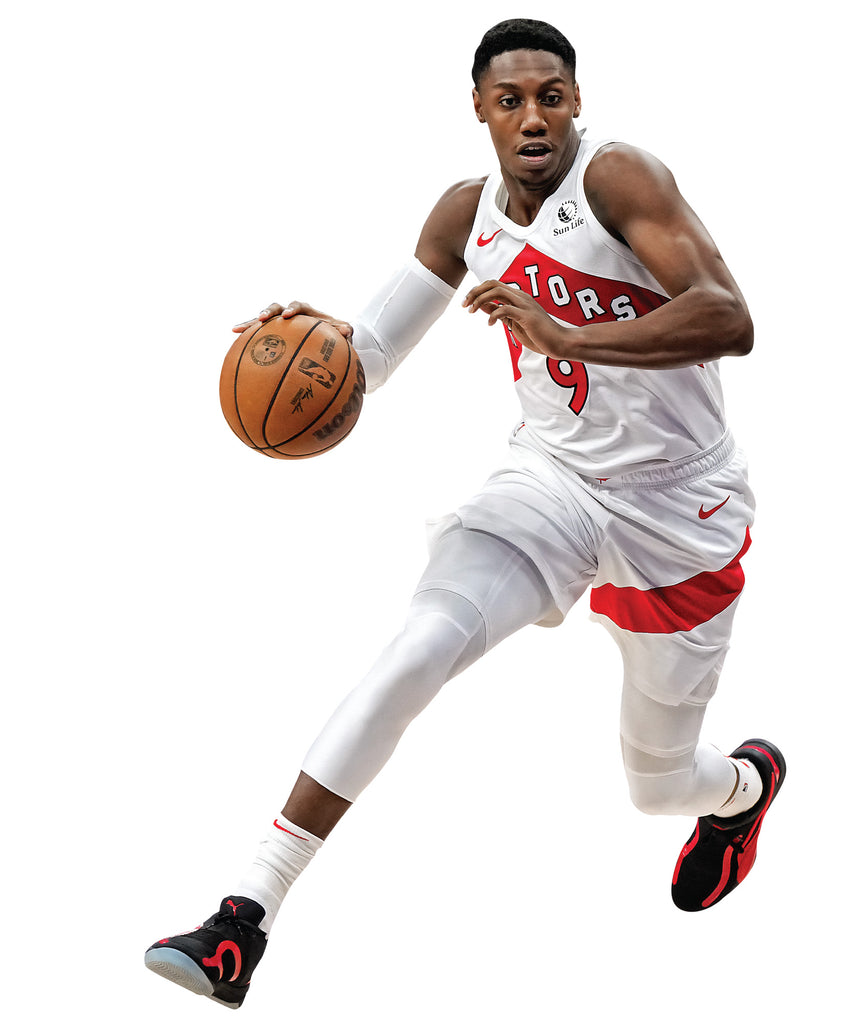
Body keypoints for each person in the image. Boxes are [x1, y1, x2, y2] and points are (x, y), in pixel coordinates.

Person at [145, 18, 785, 1009]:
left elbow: (728, 316)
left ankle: (743, 790)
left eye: (550, 97)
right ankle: (244, 916)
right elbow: (367, 357)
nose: (532, 117)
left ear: (576, 103)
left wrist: (567, 334)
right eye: (510, 99)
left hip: (679, 511)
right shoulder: (463, 215)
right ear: (479, 109)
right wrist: (313, 340)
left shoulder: (620, 181)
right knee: (418, 647)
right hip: (551, 483)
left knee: (657, 785)